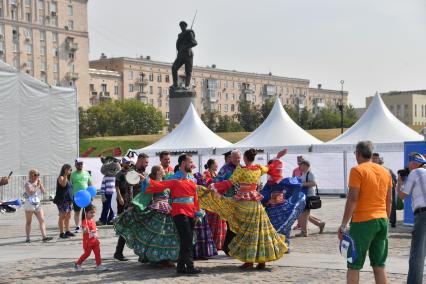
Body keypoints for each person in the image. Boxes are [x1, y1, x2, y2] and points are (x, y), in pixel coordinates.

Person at [199, 148, 289, 269]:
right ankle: (261, 261)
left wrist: (214, 186)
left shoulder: (241, 170)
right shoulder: (258, 169)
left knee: (247, 233)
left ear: (245, 159)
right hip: (256, 205)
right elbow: (271, 167)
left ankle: (249, 261)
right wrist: (278, 157)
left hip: (244, 204)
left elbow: (229, 182)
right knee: (259, 231)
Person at [338, 141, 392, 284]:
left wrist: (343, 225)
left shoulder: (357, 170)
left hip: (363, 221)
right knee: (379, 265)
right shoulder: (385, 172)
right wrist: (386, 219)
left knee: (354, 265)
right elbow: (389, 200)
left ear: (357, 153)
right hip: (382, 220)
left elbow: (352, 199)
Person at [143, 154, 202, 274]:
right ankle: (189, 266)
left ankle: (180, 267)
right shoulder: (174, 178)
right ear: (183, 163)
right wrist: (146, 180)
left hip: (190, 213)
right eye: (190, 162)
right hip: (179, 212)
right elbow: (159, 185)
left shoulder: (192, 179)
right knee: (187, 239)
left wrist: (197, 213)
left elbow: (195, 197)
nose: (192, 164)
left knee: (187, 240)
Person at [115, 165, 180, 267]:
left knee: (168, 235)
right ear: (158, 172)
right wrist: (134, 206)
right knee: (158, 235)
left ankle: (167, 259)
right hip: (158, 210)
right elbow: (144, 194)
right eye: (162, 170)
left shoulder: (166, 182)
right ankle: (156, 259)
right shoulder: (153, 183)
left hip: (168, 211)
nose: (164, 171)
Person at [260, 159, 306, 251]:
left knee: (285, 228)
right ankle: (275, 246)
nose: (276, 171)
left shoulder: (286, 182)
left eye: (278, 169)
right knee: (273, 229)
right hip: (272, 212)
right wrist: (271, 197)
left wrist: (283, 197)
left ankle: (284, 246)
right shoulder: (269, 185)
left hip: (284, 210)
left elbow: (296, 187)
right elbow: (263, 197)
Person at [396, 152, 426, 284]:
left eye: (409, 162)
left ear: (414, 162)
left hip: (423, 214)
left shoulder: (415, 172)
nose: (408, 166)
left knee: (417, 254)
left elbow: (403, 195)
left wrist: (400, 182)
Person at [214, 149, 241, 255]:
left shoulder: (242, 167)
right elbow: (216, 181)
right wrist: (227, 185)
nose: (237, 160)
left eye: (238, 158)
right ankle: (227, 247)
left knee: (238, 224)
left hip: (241, 200)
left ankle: (232, 247)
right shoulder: (225, 169)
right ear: (231, 158)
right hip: (228, 200)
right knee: (231, 224)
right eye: (235, 157)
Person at [295, 160, 325, 237]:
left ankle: (304, 232)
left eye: (301, 165)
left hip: (309, 196)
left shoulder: (310, 173)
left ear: (305, 165)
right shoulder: (303, 174)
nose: (299, 167)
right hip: (303, 196)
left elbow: (314, 183)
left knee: (303, 214)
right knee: (304, 214)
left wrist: (302, 184)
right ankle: (320, 224)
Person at [203, 159, 227, 251]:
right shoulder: (206, 173)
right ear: (211, 165)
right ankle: (213, 243)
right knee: (212, 222)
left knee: (220, 222)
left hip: (217, 199)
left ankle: (219, 243)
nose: (217, 166)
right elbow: (208, 184)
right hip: (210, 201)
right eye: (215, 164)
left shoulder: (216, 174)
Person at [74, 204, 107, 271]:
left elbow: (94, 229)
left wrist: (95, 232)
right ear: (86, 213)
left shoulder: (93, 220)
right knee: (87, 254)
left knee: (97, 252)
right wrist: (86, 229)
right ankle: (78, 264)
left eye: (94, 212)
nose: (93, 214)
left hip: (95, 240)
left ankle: (99, 265)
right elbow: (84, 231)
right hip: (88, 242)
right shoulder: (84, 221)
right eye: (91, 212)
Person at [23, 169, 53, 243]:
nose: (37, 176)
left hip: (37, 203)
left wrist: (41, 185)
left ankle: (44, 236)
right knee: (29, 222)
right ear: (31, 175)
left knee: (42, 220)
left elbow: (43, 191)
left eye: (38, 174)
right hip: (29, 204)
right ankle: (28, 238)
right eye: (36, 175)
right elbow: (30, 192)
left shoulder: (38, 182)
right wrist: (37, 186)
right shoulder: (27, 184)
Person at [113, 157, 134, 261]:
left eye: (129, 162)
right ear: (122, 163)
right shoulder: (120, 173)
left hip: (130, 199)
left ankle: (119, 251)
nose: (128, 164)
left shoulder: (131, 172)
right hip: (122, 199)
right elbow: (116, 186)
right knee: (123, 223)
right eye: (126, 162)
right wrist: (119, 196)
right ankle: (118, 252)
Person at [373, 153, 398, 228]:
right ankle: (388, 220)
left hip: (387, 189)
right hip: (380, 190)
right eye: (373, 158)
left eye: (375, 158)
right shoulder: (370, 169)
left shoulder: (387, 169)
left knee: (390, 203)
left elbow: (395, 179)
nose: (374, 160)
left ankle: (390, 221)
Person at [172, 21, 197, 89]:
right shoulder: (180, 35)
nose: (181, 27)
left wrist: (186, 46)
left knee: (188, 71)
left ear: (185, 26)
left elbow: (194, 42)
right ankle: (175, 84)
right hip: (181, 54)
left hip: (188, 54)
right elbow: (178, 44)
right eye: (180, 26)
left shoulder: (189, 33)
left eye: (183, 25)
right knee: (174, 67)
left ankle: (187, 85)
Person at [70, 159, 92, 233]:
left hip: (86, 196)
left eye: (81, 164)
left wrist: (91, 195)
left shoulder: (86, 173)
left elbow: (90, 184)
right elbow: (70, 186)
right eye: (79, 164)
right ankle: (77, 227)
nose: (80, 165)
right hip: (77, 196)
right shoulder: (72, 174)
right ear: (75, 165)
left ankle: (87, 225)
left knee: (88, 212)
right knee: (77, 212)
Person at [54, 164, 75, 239]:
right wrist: (65, 175)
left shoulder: (68, 178)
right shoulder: (61, 177)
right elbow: (63, 185)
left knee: (68, 216)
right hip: (62, 200)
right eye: (70, 170)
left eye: (71, 170)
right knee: (62, 216)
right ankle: (61, 233)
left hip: (68, 200)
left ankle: (67, 231)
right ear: (65, 169)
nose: (70, 171)